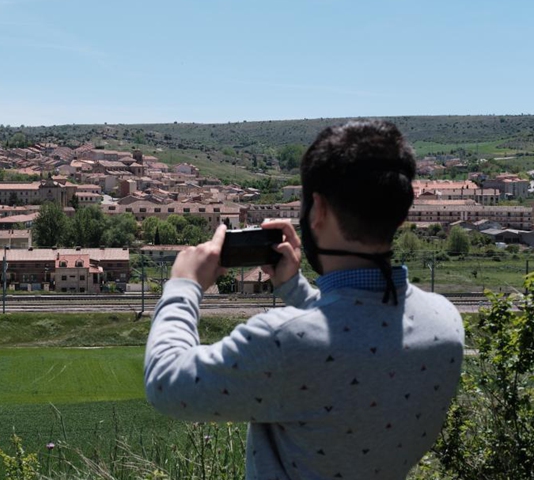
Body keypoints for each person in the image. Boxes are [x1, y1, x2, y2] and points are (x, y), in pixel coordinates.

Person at [144, 120, 464, 479]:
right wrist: (293, 288)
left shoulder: (283, 341)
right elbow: (354, 334)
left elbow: (165, 383)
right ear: (403, 212)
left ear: (319, 209)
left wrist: (184, 285)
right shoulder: (445, 323)